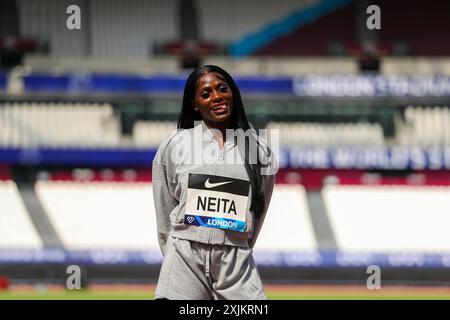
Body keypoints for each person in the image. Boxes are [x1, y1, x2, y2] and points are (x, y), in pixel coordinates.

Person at [152, 65, 277, 300]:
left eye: (222, 89)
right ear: (194, 104)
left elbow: (258, 211)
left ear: (233, 93)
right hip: (184, 260)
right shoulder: (175, 145)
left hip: (235, 264)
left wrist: (237, 244)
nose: (217, 97)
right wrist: (176, 253)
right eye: (206, 93)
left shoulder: (260, 150)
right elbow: (165, 209)